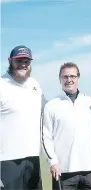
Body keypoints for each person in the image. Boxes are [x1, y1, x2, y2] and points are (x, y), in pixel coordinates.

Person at [42, 62, 91, 190]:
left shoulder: (90, 102)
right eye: (65, 77)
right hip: (63, 171)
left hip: (89, 169)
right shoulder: (51, 105)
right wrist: (53, 161)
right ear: (60, 79)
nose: (69, 80)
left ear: (78, 77)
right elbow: (46, 137)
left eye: (73, 76)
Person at [0, 45, 46, 189]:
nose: (23, 64)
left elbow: (47, 111)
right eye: (19, 60)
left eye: (27, 61)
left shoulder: (34, 84)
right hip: (7, 161)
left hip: (33, 157)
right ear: (10, 61)